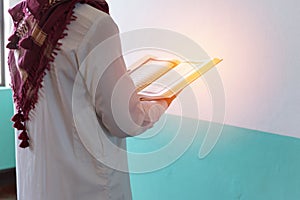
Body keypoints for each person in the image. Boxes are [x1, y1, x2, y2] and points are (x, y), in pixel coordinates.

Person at [7, 0, 173, 199]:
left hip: (38, 178)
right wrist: (160, 102)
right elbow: (122, 121)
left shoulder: (25, 18)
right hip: (87, 184)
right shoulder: (94, 24)